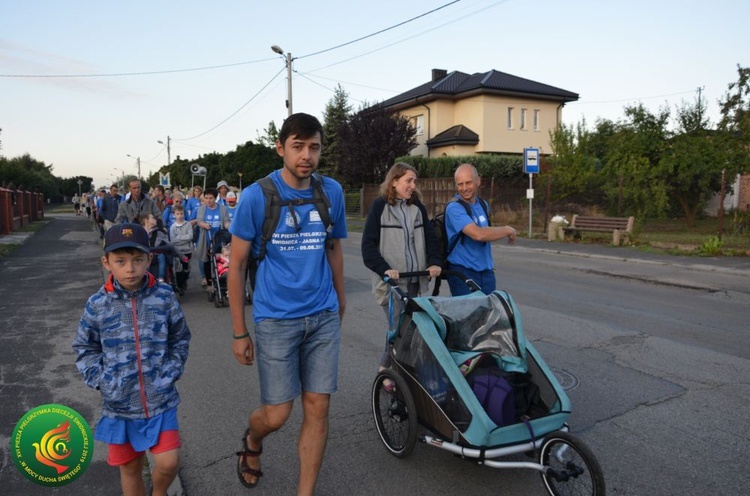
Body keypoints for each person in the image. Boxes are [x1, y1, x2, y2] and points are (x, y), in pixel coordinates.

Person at [226, 112, 347, 495]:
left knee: (318, 409)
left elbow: (334, 248)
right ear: (281, 148)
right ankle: (253, 440)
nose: (306, 155)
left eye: (313, 147)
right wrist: (239, 331)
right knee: (277, 414)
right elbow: (237, 265)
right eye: (298, 147)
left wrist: (340, 302)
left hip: (323, 316)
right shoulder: (256, 197)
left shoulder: (332, 193)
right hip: (275, 319)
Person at [72, 223, 191, 496]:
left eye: (138, 260)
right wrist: (103, 381)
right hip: (120, 405)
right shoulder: (98, 304)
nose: (130, 268)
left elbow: (180, 337)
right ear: (106, 262)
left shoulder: (164, 297)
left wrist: (170, 370)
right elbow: (84, 346)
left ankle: (159, 493)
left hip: (161, 400)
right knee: (130, 468)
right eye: (121, 261)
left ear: (149, 259)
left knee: (168, 461)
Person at [361, 162, 442, 379]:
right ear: (394, 181)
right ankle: (386, 375)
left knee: (410, 331)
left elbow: (431, 241)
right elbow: (368, 248)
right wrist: (386, 269)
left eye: (414, 181)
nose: (413, 185)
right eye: (408, 180)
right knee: (400, 331)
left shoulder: (417, 208)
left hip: (414, 281)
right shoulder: (380, 207)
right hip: (392, 285)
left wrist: (434, 262)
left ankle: (399, 375)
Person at [444, 163, 517, 296]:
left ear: (478, 181)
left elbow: (486, 232)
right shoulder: (454, 208)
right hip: (462, 272)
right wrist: (507, 230)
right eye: (460, 184)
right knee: (468, 315)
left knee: (488, 315)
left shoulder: (483, 205)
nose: (464, 188)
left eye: (468, 183)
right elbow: (478, 234)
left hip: (486, 273)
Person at [194, 187, 228, 288]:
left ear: (215, 198)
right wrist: (204, 225)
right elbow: (199, 221)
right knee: (207, 261)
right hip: (207, 238)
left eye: (211, 198)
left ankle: (221, 280)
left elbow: (226, 221)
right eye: (206, 198)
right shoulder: (202, 209)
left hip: (219, 237)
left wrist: (229, 226)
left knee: (220, 259)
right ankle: (209, 282)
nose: (208, 201)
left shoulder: (222, 208)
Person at [169, 204, 193, 294]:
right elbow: (173, 240)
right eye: (177, 214)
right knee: (179, 269)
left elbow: (190, 236)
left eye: (181, 213)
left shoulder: (188, 224)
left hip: (187, 250)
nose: (180, 216)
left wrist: (179, 238)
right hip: (177, 251)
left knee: (186, 269)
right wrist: (183, 238)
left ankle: (184, 280)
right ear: (174, 215)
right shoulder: (173, 227)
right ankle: (180, 286)